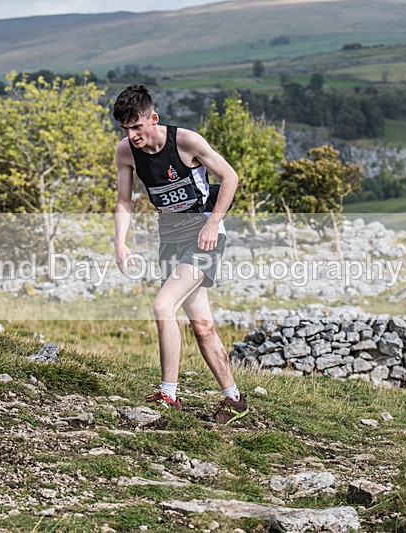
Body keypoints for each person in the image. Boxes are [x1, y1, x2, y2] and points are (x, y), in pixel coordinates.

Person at [113, 84, 248, 425]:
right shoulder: (126, 152)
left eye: (136, 127)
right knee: (202, 326)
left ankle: (167, 395)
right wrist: (121, 243)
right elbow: (124, 202)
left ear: (152, 118)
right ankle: (234, 400)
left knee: (162, 306)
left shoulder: (186, 141)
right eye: (125, 129)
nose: (132, 135)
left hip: (204, 236)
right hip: (170, 238)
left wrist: (212, 224)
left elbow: (230, 177)